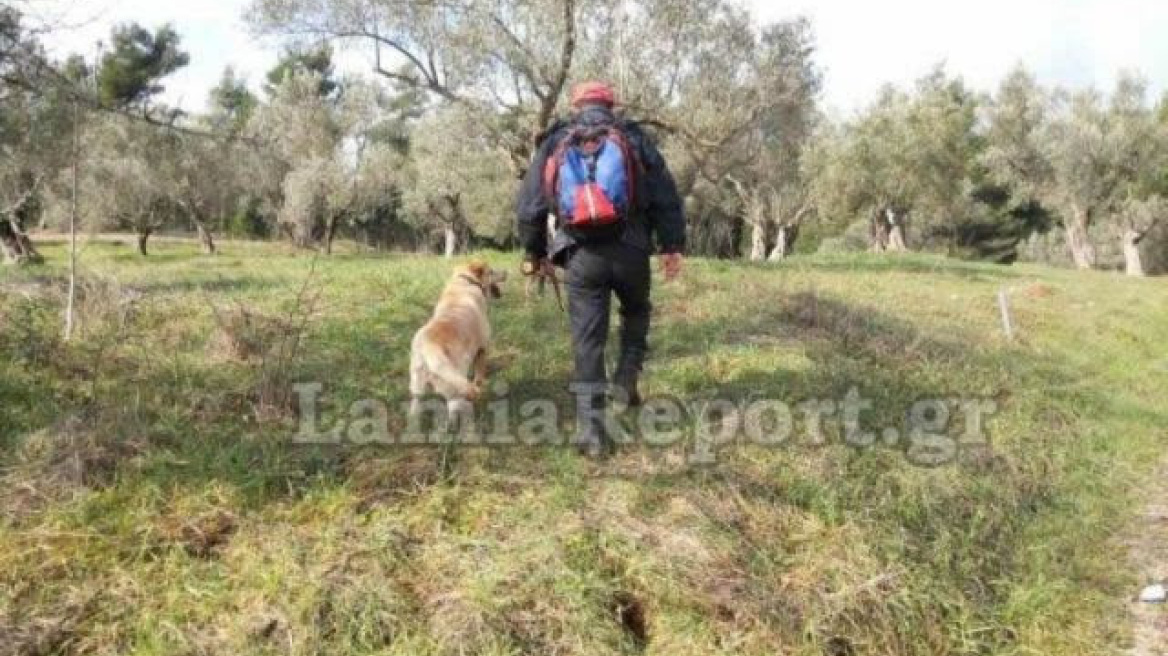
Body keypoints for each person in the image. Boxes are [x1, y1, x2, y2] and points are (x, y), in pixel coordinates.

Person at [517, 80, 686, 457]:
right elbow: (665, 194)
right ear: (612, 105)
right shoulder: (632, 136)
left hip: (581, 255)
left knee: (587, 340)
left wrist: (534, 252)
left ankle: (593, 435)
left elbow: (530, 205)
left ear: (576, 105)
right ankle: (626, 377)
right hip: (632, 249)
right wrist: (671, 245)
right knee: (637, 310)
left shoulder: (558, 139)